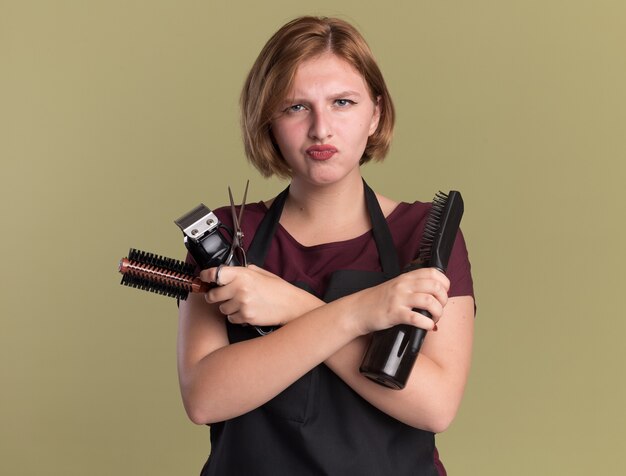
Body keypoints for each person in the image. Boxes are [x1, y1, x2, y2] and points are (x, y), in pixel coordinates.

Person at [178, 16, 475, 476]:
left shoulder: (422, 237)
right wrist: (360, 312)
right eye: (296, 107)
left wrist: (293, 307)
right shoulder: (226, 236)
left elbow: (435, 406)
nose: (321, 129)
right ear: (268, 120)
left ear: (375, 113)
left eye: (342, 102)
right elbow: (204, 397)